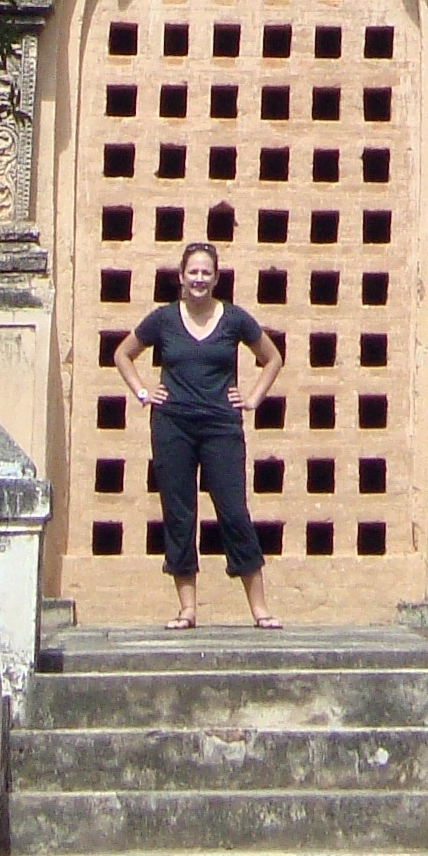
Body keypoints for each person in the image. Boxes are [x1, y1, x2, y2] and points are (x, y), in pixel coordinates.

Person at [115, 239, 285, 630]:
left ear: (216, 277)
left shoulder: (234, 319)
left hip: (221, 425)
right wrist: (143, 392)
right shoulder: (163, 319)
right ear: (181, 276)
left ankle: (260, 609)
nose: (199, 279)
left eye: (206, 272)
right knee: (179, 513)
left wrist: (253, 398)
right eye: (192, 272)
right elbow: (123, 354)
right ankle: (187, 609)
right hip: (172, 424)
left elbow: (272, 357)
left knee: (234, 511)